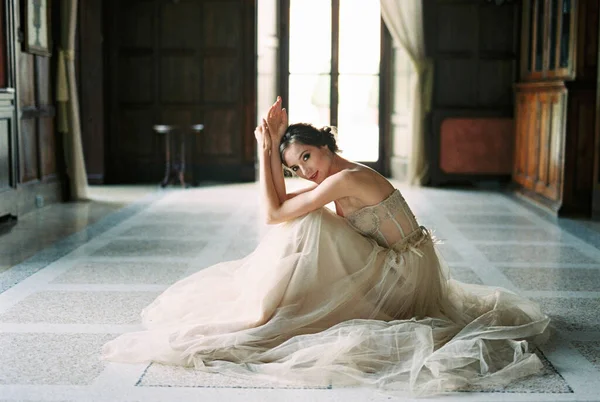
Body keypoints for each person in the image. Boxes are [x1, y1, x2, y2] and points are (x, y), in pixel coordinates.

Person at [103, 97, 550, 396]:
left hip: (403, 277)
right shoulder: (338, 176)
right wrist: (271, 147)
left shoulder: (347, 177)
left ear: (324, 144)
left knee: (306, 223)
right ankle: (273, 304)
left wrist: (265, 152)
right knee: (303, 221)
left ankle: (265, 311)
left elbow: (274, 213)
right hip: (402, 264)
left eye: (306, 158)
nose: (305, 170)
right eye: (296, 167)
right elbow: (278, 205)